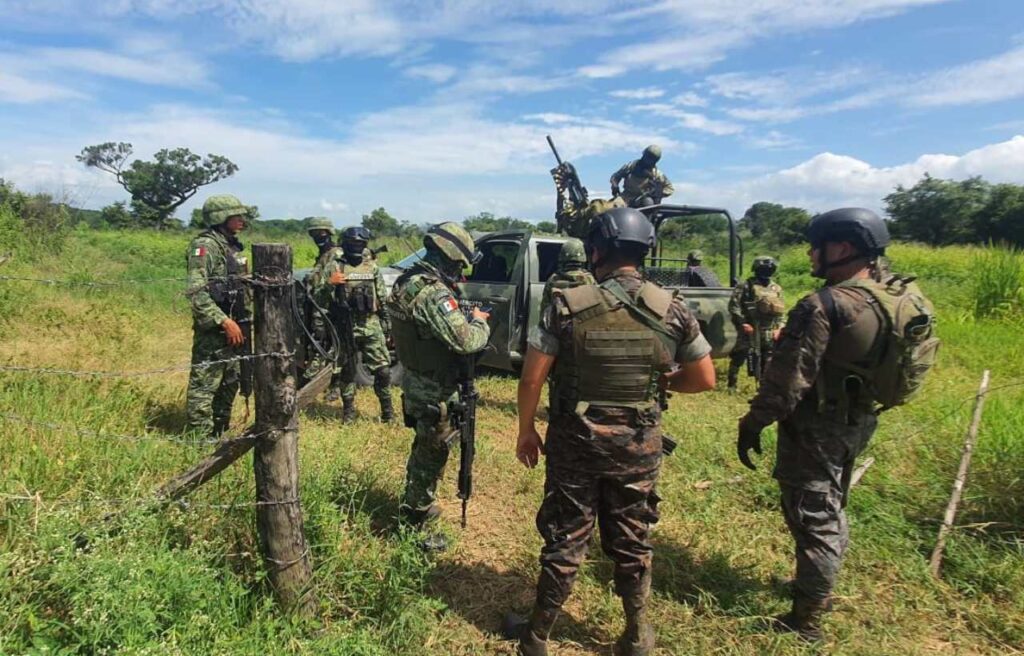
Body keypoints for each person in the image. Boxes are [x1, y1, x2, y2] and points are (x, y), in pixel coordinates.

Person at [507, 208, 716, 656]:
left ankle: (537, 636)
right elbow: (704, 378)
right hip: (638, 448)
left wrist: (527, 431)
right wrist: (664, 383)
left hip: (575, 444)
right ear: (644, 253)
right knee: (632, 537)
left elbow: (531, 378)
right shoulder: (673, 307)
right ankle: (637, 635)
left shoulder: (568, 304)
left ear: (597, 250)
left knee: (567, 535)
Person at [737, 208, 937, 642]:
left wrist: (753, 422)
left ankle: (807, 620)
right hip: (859, 419)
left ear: (842, 248)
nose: (810, 253)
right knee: (831, 503)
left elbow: (788, 381)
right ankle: (817, 586)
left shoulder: (824, 305)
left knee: (813, 515)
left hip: (818, 427)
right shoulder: (897, 294)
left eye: (817, 245)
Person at [387, 222, 491, 551]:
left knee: (425, 447)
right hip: (434, 388)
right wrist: (480, 322)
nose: (460, 272)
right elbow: (466, 341)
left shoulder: (409, 281)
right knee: (432, 451)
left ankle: (416, 506)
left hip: (419, 379)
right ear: (448, 256)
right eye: (459, 264)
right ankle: (415, 522)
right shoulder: (432, 291)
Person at [185, 194, 252, 438]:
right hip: (216, 329)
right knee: (205, 386)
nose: (242, 221)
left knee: (230, 382)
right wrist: (223, 321)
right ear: (221, 218)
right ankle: (199, 442)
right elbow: (195, 291)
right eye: (237, 216)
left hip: (236, 324)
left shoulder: (231, 246)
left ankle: (218, 433)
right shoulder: (205, 247)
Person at [311, 226, 394, 423]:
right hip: (345, 326)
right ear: (346, 244)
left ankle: (388, 413)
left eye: (360, 244)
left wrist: (387, 323)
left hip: (370, 324)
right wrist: (330, 283)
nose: (357, 247)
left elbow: (381, 296)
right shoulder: (335, 266)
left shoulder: (371, 267)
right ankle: (348, 412)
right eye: (353, 243)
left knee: (382, 370)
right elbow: (318, 298)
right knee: (347, 371)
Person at [727, 256, 784, 391]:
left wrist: (780, 327)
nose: (767, 271)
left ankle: (763, 387)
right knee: (739, 355)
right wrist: (743, 323)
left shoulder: (776, 288)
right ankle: (732, 385)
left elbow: (781, 310)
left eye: (770, 269)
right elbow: (734, 306)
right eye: (764, 268)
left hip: (769, 330)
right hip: (750, 328)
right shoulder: (746, 285)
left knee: (767, 358)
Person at [302, 217, 339, 381]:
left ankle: (319, 380)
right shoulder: (323, 255)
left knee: (325, 344)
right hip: (318, 304)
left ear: (329, 233)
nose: (318, 237)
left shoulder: (335, 254)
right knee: (319, 342)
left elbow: (331, 280)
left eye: (321, 234)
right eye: (314, 234)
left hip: (328, 307)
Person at [539, 238, 595, 314]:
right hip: (582, 323)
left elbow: (545, 309)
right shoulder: (589, 279)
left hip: (560, 323)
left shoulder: (553, 279)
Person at [610, 145, 674, 208]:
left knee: (648, 203)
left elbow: (670, 189)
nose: (646, 160)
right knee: (615, 207)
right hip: (626, 196)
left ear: (655, 161)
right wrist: (614, 185)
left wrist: (655, 192)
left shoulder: (657, 174)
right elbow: (616, 176)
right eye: (646, 157)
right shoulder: (631, 166)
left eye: (650, 159)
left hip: (643, 198)